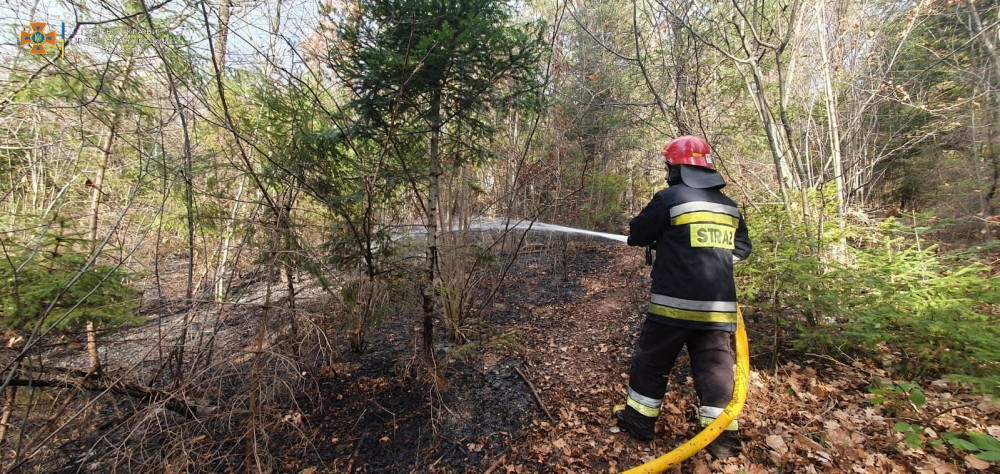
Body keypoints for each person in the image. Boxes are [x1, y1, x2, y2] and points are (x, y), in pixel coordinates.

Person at [614, 135, 752, 460]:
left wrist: (673, 250)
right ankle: (721, 441)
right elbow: (742, 249)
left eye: (667, 167)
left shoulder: (670, 198)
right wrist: (714, 259)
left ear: (677, 168)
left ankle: (638, 423)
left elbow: (637, 234)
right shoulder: (729, 206)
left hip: (672, 307)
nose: (665, 173)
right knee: (716, 369)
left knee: (652, 360)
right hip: (718, 309)